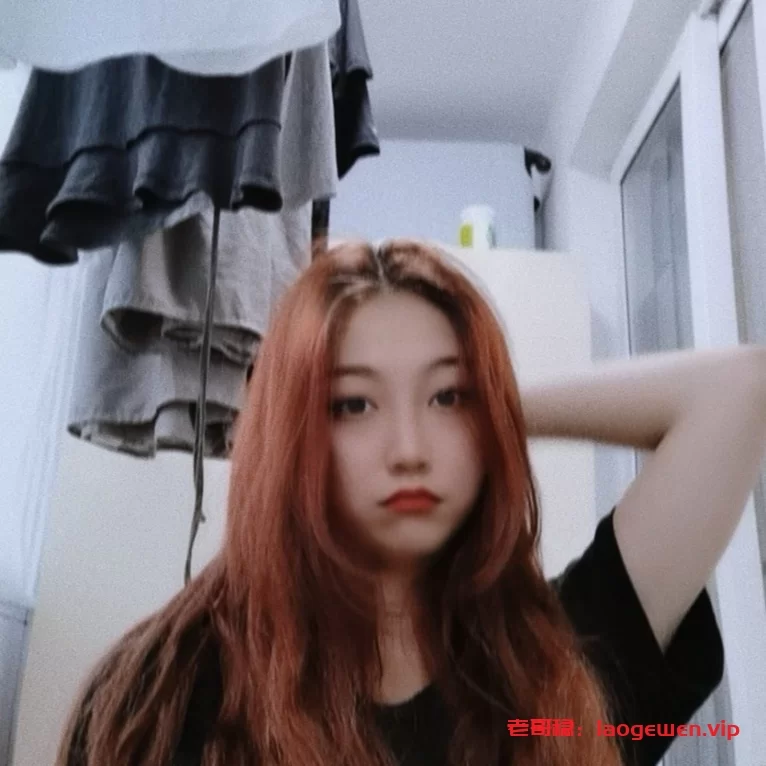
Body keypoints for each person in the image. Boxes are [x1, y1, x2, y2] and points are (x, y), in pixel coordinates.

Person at [55, 239, 766, 766]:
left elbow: (738, 388)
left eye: (448, 398)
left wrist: (493, 405)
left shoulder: (554, 674)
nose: (409, 448)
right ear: (289, 431)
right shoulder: (166, 692)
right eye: (353, 404)